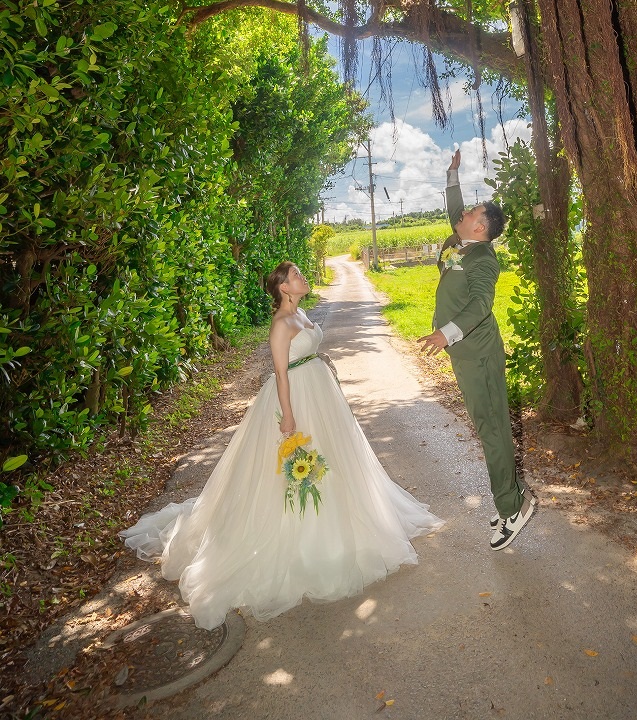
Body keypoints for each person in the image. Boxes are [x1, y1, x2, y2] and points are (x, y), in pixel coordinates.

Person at [121, 261, 442, 629]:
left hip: (320, 392)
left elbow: (304, 354)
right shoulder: (280, 324)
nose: (302, 278)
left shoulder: (300, 312)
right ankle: (301, 539)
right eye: (296, 276)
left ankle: (348, 527)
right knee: (298, 471)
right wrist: (288, 417)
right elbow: (280, 372)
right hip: (294, 398)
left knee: (337, 463)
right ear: (283, 288)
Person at [418, 151, 536, 550]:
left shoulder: (483, 258)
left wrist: (445, 334)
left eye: (471, 212)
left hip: (479, 355)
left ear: (481, 227)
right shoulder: (461, 243)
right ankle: (515, 494)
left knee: (492, 429)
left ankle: (512, 510)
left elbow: (481, 305)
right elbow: (454, 208)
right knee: (490, 426)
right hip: (467, 356)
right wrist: (452, 174)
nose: (463, 212)